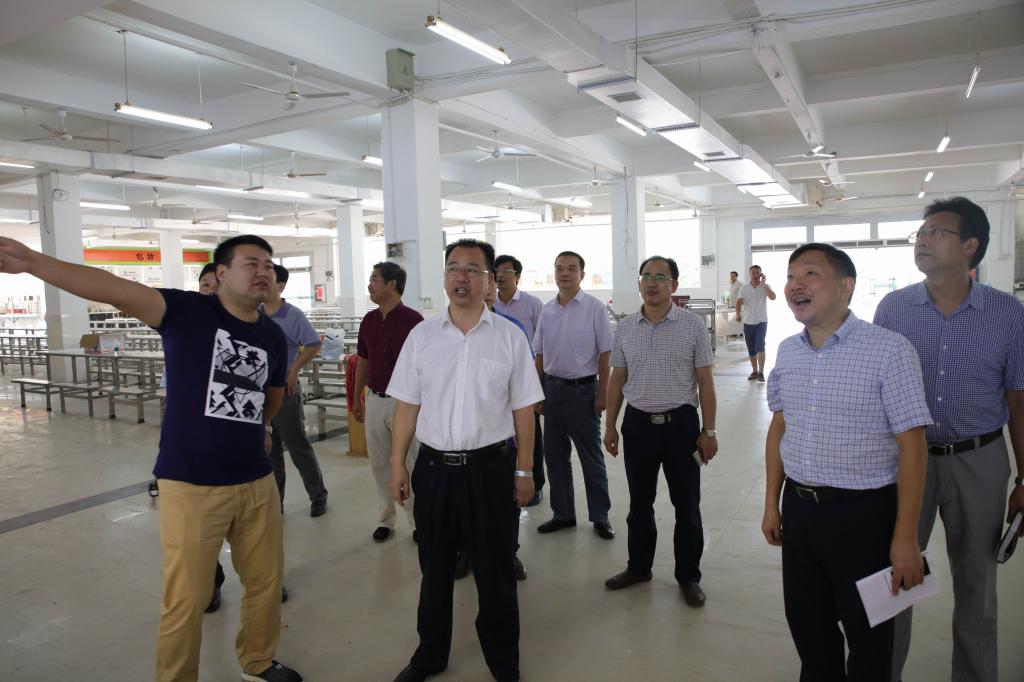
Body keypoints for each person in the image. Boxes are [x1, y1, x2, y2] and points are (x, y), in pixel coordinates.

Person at [0, 234, 301, 681]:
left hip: (255, 481)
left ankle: (257, 662)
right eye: (251, 263)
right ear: (221, 274)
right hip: (191, 483)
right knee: (188, 597)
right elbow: (111, 287)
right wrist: (32, 262)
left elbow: (272, 395)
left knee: (265, 583)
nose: (263, 272)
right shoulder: (186, 311)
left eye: (269, 266)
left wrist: (261, 428)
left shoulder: (272, 334)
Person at [762, 242, 930, 682]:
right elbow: (779, 428)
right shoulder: (788, 351)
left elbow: (913, 447)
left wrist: (906, 537)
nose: (795, 284)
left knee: (870, 639)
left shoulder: (889, 350)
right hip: (800, 510)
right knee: (809, 627)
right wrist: (771, 503)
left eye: (810, 274)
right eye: (791, 276)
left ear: (845, 286)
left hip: (864, 516)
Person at [873, 197, 1024, 682]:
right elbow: (876, 394)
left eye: (936, 232)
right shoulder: (894, 309)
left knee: (977, 583)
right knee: (895, 574)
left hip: (979, 459)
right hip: (905, 461)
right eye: (920, 232)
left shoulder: (1007, 313)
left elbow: (1018, 402)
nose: (922, 240)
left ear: (970, 245)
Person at [386, 238, 543, 682]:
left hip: (491, 470)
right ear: (444, 277)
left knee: (495, 572)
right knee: (434, 569)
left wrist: (525, 468)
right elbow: (407, 405)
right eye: (454, 267)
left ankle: (503, 661)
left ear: (489, 280)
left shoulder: (509, 337)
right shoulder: (422, 337)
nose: (462, 277)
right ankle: (430, 655)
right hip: (434, 470)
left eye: (473, 269)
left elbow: (524, 409)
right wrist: (398, 464)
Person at [602, 256, 718, 608]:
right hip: (638, 426)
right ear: (639, 283)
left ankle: (688, 576)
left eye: (660, 277)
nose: (651, 283)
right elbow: (617, 379)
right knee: (639, 503)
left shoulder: (692, 325)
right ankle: (639, 567)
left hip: (682, 427)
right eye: (646, 276)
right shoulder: (626, 327)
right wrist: (610, 424)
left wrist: (709, 430)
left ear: (674, 285)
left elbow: (705, 382)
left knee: (687, 505)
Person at [533, 251, 615, 539]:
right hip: (552, 390)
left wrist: (603, 393)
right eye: (559, 269)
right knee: (555, 457)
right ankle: (563, 514)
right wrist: (536, 391)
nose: (564, 273)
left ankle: (600, 516)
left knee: (591, 458)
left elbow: (605, 353)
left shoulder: (594, 308)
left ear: (582, 274)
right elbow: (539, 354)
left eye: (571, 268)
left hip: (584, 392)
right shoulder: (547, 311)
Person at [353, 261, 424, 543]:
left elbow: (424, 366)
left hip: (404, 403)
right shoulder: (368, 321)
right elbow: (363, 361)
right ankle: (385, 519)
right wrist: (357, 398)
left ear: (391, 284)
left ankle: (418, 522)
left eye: (374, 279)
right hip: (374, 399)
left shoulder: (413, 321)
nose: (369, 285)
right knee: (379, 463)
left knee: (409, 462)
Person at [263, 264, 328, 517]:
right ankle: (275, 503)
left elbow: (313, 344)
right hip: (261, 393)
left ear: (280, 286)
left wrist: (294, 369)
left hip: (285, 391)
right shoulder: (255, 313)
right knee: (270, 451)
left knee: (297, 447)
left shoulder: (293, 315)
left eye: (268, 279)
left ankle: (318, 495)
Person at [493, 254, 546, 506]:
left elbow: (543, 345)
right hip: (497, 385)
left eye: (506, 271)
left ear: (517, 276)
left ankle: (536, 484)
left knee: (530, 434)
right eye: (497, 271)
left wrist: (538, 385)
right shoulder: (488, 304)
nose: (500, 275)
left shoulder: (532, 305)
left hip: (526, 380)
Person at [736, 264, 776, 382]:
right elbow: (739, 302)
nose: (755, 275)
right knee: (751, 349)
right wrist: (738, 314)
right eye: (753, 273)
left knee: (760, 346)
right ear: (749, 274)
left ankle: (761, 372)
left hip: (761, 322)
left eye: (757, 273)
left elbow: (773, 297)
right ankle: (754, 371)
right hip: (748, 322)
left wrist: (764, 284)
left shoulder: (765, 287)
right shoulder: (744, 288)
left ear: (761, 274)